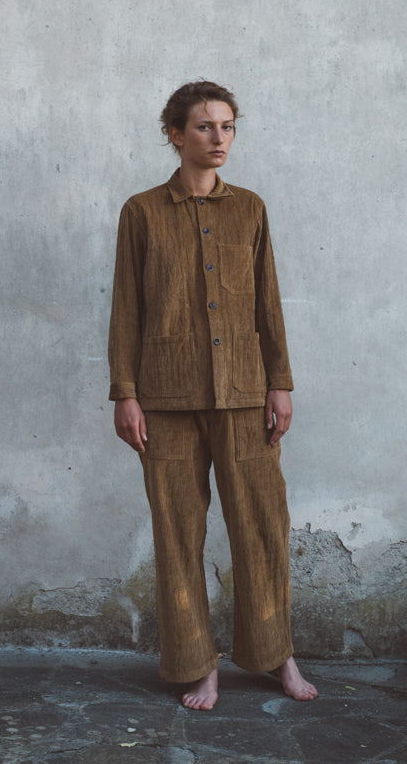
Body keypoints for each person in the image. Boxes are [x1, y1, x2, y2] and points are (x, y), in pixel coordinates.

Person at [108, 80, 317, 710]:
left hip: (245, 394)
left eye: (227, 126)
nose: (218, 138)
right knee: (177, 534)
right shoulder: (142, 212)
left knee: (262, 526)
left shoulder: (250, 209)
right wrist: (124, 393)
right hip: (165, 399)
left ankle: (276, 653)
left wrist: (280, 383)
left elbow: (268, 303)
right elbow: (126, 309)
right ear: (175, 134)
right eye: (204, 126)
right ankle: (198, 664)